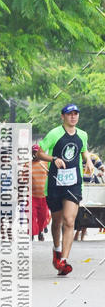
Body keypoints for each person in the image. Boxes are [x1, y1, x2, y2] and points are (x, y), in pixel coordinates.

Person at [37, 104, 96, 275]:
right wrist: (53, 158)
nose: (73, 117)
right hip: (55, 183)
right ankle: (56, 250)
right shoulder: (54, 134)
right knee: (57, 222)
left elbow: (83, 151)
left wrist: (89, 160)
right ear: (62, 116)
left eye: (76, 114)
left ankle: (64, 260)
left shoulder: (82, 135)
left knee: (69, 220)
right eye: (70, 114)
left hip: (73, 183)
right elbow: (39, 153)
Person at [31, 144, 50, 241]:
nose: (35, 154)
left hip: (44, 196)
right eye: (33, 152)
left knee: (42, 217)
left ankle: (40, 231)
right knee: (32, 215)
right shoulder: (27, 165)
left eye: (37, 152)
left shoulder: (46, 164)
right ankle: (32, 234)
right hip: (32, 196)